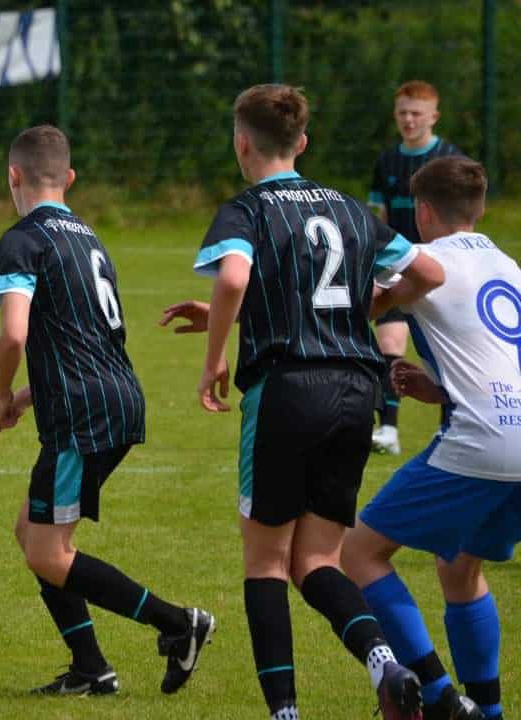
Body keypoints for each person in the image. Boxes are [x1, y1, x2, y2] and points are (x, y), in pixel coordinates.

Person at [161, 84, 444, 719]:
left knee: (265, 563)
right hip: (355, 391)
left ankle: (285, 713)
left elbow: (235, 275)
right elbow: (427, 274)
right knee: (316, 560)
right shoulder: (347, 206)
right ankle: (385, 663)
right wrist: (364, 311)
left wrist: (213, 360)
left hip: (287, 390)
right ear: (303, 143)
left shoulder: (246, 210)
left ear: (241, 142)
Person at [0, 124, 215, 697]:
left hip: (83, 413)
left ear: (13, 176)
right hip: (113, 394)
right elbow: (81, 340)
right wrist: (26, 400)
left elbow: (15, 335)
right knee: (33, 535)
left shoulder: (22, 240)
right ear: (70, 178)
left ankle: (177, 623)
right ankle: (90, 668)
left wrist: (3, 394)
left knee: (47, 551)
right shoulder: (89, 239)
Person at [342, 157, 518, 720]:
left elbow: (354, 311)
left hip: (481, 439)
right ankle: (486, 712)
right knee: (459, 568)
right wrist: (441, 389)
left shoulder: (426, 261)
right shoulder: (510, 267)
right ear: (482, 207)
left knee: (360, 552)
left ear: (420, 211)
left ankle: (440, 699)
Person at [368, 80, 465, 455]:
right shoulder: (387, 161)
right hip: (397, 268)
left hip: (439, 269)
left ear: (433, 117)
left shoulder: (449, 160)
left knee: (444, 353)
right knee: (389, 343)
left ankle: (455, 425)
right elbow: (380, 216)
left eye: (416, 114)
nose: (408, 120)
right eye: (402, 113)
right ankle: (388, 431)